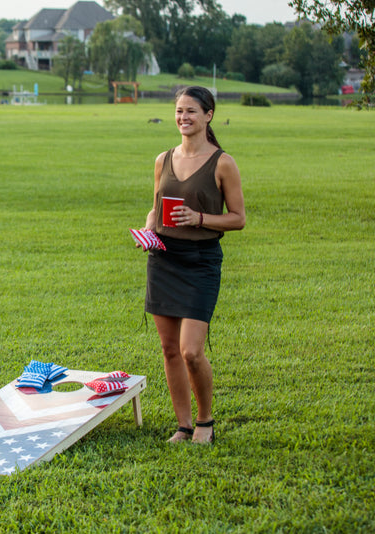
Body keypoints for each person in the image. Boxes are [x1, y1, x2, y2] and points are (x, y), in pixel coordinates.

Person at [141, 86, 246, 444]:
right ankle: (183, 425)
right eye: (179, 111)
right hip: (163, 260)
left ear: (208, 115)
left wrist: (199, 217)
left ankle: (205, 421)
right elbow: (156, 206)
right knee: (170, 349)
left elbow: (238, 219)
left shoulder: (223, 163)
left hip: (200, 262)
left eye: (191, 112)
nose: (183, 118)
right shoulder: (163, 159)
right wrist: (147, 230)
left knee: (191, 350)